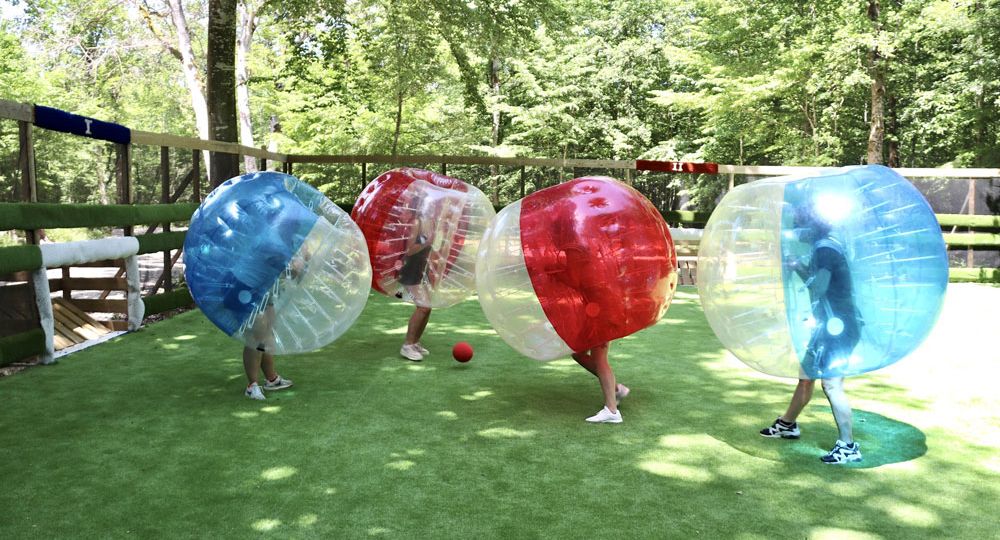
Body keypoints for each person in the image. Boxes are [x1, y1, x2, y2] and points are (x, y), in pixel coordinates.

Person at [760, 207, 862, 464]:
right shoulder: (825, 246)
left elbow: (819, 288)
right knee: (806, 376)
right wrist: (798, 266)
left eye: (800, 226)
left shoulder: (825, 249)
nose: (797, 231)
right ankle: (788, 424)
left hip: (839, 327)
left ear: (812, 227)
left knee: (831, 384)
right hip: (829, 325)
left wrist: (796, 267)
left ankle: (849, 446)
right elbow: (820, 284)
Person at [398, 199, 434, 362]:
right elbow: (409, 249)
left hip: (420, 268)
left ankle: (415, 342)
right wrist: (426, 241)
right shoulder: (416, 222)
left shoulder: (428, 221)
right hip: (410, 269)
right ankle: (407, 345)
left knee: (427, 307)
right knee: (423, 307)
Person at [572, 342, 630, 423]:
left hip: (599, 329)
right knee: (578, 354)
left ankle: (611, 411)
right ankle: (616, 389)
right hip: (593, 329)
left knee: (599, 359)